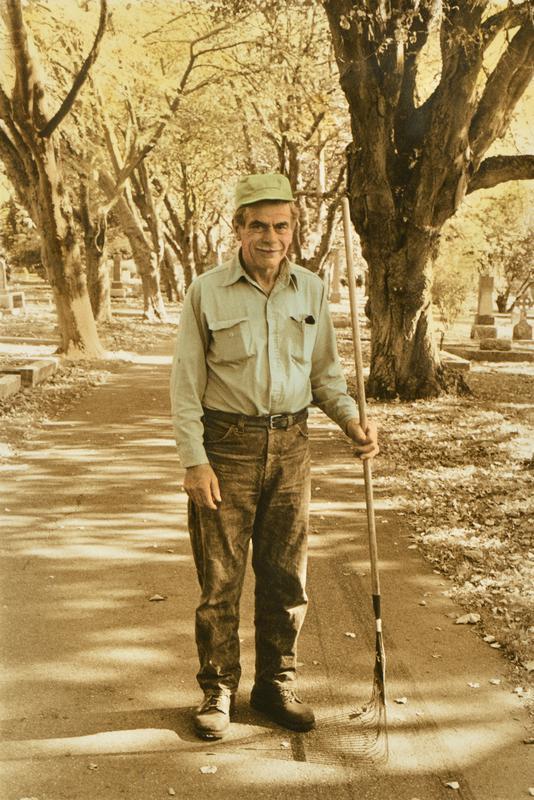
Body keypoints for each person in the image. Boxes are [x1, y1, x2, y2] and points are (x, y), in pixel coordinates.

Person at [170, 173, 378, 740]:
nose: (270, 235)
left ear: (292, 229)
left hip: (292, 446)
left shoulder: (311, 290)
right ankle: (217, 690)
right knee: (221, 581)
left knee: (287, 578)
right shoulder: (206, 292)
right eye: (257, 225)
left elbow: (327, 376)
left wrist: (352, 420)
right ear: (238, 228)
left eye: (280, 225)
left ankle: (274, 684)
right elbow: (186, 385)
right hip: (226, 448)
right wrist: (195, 460)